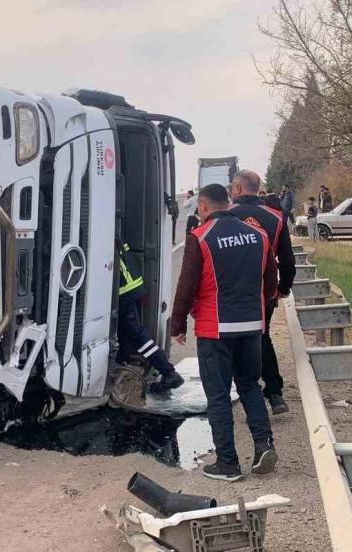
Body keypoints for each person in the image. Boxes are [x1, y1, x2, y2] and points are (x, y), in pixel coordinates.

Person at [170, 184, 278, 481]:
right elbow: (271, 281)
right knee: (249, 385)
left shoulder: (200, 237)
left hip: (215, 328)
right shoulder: (258, 235)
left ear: (203, 206)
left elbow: (186, 286)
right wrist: (260, 310)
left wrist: (177, 324)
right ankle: (263, 445)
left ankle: (228, 464)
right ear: (228, 204)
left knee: (218, 396)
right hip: (251, 326)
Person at [229, 170, 296, 415]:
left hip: (230, 290)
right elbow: (288, 261)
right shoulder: (276, 217)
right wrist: (282, 289)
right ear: (258, 189)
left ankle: (246, 393)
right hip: (264, 290)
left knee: (233, 341)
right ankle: (274, 393)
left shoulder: (224, 215)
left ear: (237, 189)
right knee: (262, 336)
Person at [117, 241, 184, 393]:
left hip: (125, 291)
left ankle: (169, 372)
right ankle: (122, 372)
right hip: (130, 287)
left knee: (137, 334)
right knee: (126, 333)